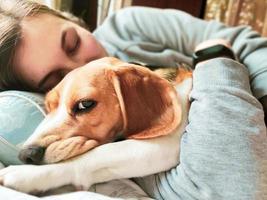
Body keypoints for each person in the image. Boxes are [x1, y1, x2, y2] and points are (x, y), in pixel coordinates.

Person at [0, 0, 266, 199]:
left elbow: (242, 43)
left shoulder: (129, 27)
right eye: (55, 78)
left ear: (73, 20)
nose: (82, 65)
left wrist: (218, 63)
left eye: (73, 44)